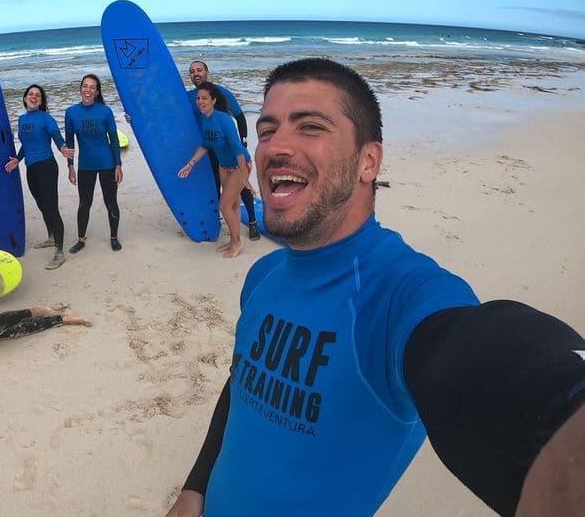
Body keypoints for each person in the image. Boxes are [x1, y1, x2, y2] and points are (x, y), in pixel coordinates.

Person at [164, 58, 585, 517]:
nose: (274, 147)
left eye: (310, 127)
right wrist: (196, 485)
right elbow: (242, 383)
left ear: (368, 161)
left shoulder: (401, 295)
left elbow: (484, 357)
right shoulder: (261, 277)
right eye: (266, 131)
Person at [187, 60, 260, 241]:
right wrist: (134, 117)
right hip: (209, 148)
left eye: (199, 70)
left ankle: (252, 222)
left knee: (241, 188)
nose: (196, 73)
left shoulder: (220, 93)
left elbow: (240, 117)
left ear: (207, 72)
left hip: (228, 148)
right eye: (192, 71)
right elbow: (165, 109)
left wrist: (242, 143)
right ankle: (223, 220)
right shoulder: (189, 97)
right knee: (215, 186)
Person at [177, 83, 250, 258]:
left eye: (204, 98)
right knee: (232, 204)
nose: (200, 102)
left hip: (240, 165)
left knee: (224, 205)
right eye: (198, 98)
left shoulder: (224, 119)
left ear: (214, 100)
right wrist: (191, 164)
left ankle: (237, 242)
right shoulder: (204, 119)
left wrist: (245, 176)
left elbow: (237, 148)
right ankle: (233, 240)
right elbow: (205, 145)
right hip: (223, 165)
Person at [5, 84, 73, 270]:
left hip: (46, 167)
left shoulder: (46, 118)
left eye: (37, 95)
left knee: (51, 208)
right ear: (25, 98)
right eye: (30, 94)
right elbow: (25, 145)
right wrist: (17, 160)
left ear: (41, 100)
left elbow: (56, 136)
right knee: (41, 205)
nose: (34, 97)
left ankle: (59, 252)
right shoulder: (21, 119)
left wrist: (63, 148)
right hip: (31, 168)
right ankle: (51, 237)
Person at [64, 74, 123, 253]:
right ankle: (81, 240)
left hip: (107, 164)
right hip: (85, 166)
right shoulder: (71, 112)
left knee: (111, 202)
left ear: (97, 92)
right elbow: (70, 143)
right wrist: (70, 166)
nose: (88, 90)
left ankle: (114, 237)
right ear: (80, 88)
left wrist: (118, 165)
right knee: (84, 203)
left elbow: (113, 140)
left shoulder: (105, 111)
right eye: (85, 86)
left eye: (92, 87)